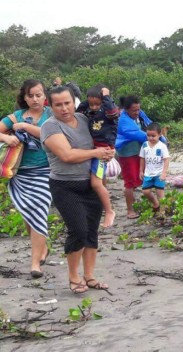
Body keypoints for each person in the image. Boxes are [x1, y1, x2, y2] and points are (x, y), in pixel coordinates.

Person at [41, 86, 115, 293]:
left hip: (90, 184)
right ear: (51, 105)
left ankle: (89, 276)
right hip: (65, 186)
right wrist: (96, 152)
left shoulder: (84, 119)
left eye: (67, 103)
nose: (64, 108)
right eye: (58, 105)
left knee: (91, 232)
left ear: (73, 102)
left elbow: (102, 139)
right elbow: (67, 155)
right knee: (78, 230)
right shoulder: (50, 126)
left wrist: (108, 151)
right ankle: (74, 277)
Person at [0, 79, 52, 278]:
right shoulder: (16, 116)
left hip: (45, 172)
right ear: (24, 98)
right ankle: (43, 248)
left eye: (38, 95)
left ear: (45, 96)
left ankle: (35, 264)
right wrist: (5, 137)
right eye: (30, 95)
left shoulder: (51, 115)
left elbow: (48, 134)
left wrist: (24, 127)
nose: (35, 99)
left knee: (39, 211)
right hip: (20, 174)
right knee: (27, 215)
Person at [76, 85, 119, 227]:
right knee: (97, 181)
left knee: (96, 182)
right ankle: (98, 207)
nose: (94, 107)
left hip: (103, 151)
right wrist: (87, 101)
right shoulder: (88, 111)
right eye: (91, 104)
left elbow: (113, 113)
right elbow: (78, 111)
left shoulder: (108, 112)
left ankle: (109, 211)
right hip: (92, 149)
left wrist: (106, 96)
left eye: (97, 104)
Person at [116, 95, 163, 219]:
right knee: (130, 182)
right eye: (134, 110)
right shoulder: (123, 121)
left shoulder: (140, 116)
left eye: (138, 109)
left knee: (146, 177)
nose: (137, 112)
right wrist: (159, 140)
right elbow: (141, 135)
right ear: (126, 110)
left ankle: (155, 203)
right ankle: (130, 210)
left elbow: (150, 126)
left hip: (140, 153)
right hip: (127, 155)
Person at [139, 122, 170, 211]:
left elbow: (166, 159)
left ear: (160, 135)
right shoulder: (144, 145)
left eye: (153, 136)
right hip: (148, 173)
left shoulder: (162, 146)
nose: (151, 138)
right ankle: (155, 203)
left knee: (160, 192)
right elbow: (142, 158)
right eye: (148, 135)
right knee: (146, 191)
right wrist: (141, 171)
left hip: (159, 174)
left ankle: (163, 212)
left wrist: (164, 172)